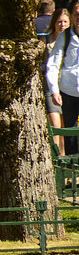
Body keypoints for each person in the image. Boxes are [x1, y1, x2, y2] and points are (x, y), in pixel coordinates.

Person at [46, 10, 79, 156]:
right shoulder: (65, 37)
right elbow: (53, 64)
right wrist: (54, 90)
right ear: (72, 17)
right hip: (68, 91)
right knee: (70, 132)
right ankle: (72, 171)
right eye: (77, 14)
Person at [45, 9, 71, 151]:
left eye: (65, 22)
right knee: (55, 125)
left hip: (67, 87)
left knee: (65, 125)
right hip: (50, 89)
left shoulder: (71, 40)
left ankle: (64, 156)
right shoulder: (47, 41)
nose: (62, 25)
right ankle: (57, 158)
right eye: (59, 21)